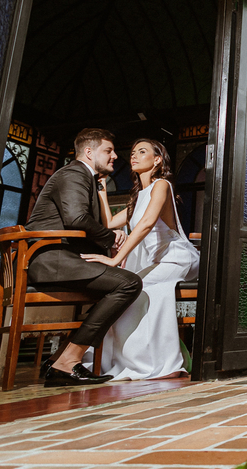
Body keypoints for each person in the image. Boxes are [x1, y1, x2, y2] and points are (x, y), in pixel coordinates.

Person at [25, 128, 142, 387]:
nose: (115, 156)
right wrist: (112, 239)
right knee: (129, 283)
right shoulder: (75, 173)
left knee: (117, 283)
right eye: (108, 151)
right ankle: (68, 361)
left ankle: (59, 358)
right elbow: (76, 219)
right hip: (52, 259)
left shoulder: (85, 177)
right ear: (88, 152)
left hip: (62, 257)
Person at [81, 138, 200, 380]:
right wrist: (102, 189)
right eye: (133, 152)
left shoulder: (161, 185)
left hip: (177, 258)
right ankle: (125, 359)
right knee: (123, 291)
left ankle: (166, 363)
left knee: (137, 287)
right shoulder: (137, 199)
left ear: (157, 160)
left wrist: (115, 260)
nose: (133, 156)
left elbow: (146, 224)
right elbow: (109, 222)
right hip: (157, 262)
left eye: (142, 151)